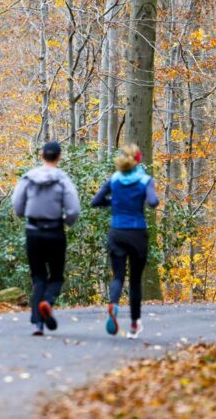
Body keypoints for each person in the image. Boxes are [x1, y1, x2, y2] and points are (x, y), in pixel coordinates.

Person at [91, 143, 159, 339]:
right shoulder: (145, 180)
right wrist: (142, 200)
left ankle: (113, 303)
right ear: (138, 160)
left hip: (117, 232)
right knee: (135, 281)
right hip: (137, 233)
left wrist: (114, 202)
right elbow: (153, 202)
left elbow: (95, 201)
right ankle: (134, 325)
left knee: (118, 276)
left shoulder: (114, 179)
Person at [12, 141, 81, 336]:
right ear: (59, 157)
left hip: (33, 231)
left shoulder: (28, 178)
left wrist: (24, 214)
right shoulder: (62, 180)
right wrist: (66, 222)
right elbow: (74, 209)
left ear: (42, 155)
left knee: (38, 277)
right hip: (55, 232)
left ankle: (37, 324)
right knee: (57, 276)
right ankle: (47, 303)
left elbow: (17, 204)